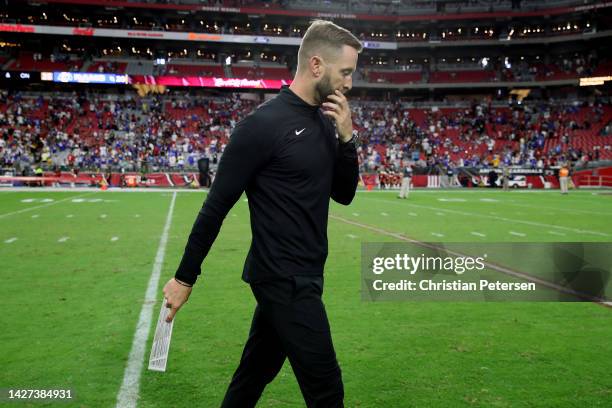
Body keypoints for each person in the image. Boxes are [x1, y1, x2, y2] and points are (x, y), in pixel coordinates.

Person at [162, 20, 362, 408]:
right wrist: (185, 277)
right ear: (317, 65)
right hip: (283, 279)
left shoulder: (325, 124)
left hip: (307, 272)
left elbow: (345, 194)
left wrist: (347, 137)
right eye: (346, 72)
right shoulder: (261, 126)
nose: (350, 84)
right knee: (326, 389)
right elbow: (216, 206)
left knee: (254, 375)